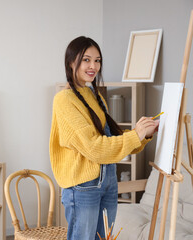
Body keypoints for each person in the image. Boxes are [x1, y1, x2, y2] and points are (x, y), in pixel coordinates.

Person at [49, 36, 159, 240]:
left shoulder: (94, 95)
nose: (93, 66)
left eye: (97, 60)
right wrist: (136, 135)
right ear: (71, 62)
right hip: (83, 186)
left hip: (108, 180)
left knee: (104, 238)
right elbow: (94, 148)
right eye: (86, 60)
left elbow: (111, 141)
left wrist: (144, 135)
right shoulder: (64, 100)